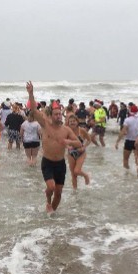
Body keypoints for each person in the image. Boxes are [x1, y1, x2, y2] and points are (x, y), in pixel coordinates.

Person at [27, 81, 82, 214]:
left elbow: (79, 144)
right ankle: (47, 201)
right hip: (47, 162)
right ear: (51, 115)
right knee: (51, 187)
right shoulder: (46, 125)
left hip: (60, 164)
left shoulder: (66, 130)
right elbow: (34, 110)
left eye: (59, 114)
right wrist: (31, 93)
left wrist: (67, 141)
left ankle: (52, 213)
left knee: (58, 193)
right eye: (56, 114)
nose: (58, 116)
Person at [115, 105, 138, 175]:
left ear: (130, 111)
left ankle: (126, 175)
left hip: (128, 141)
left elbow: (123, 131)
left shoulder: (127, 120)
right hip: (137, 141)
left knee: (125, 159)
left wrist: (117, 142)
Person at [66, 115, 91, 189]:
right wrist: (68, 147)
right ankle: (75, 192)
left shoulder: (81, 130)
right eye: (70, 121)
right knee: (73, 175)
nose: (72, 123)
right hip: (71, 153)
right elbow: (62, 142)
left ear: (77, 122)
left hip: (81, 153)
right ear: (68, 123)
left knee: (76, 171)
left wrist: (84, 147)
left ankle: (85, 175)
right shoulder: (67, 131)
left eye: (74, 121)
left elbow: (89, 139)